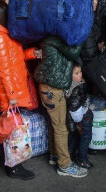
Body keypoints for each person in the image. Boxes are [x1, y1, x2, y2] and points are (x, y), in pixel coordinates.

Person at [0, 1, 40, 180]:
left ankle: (14, 164)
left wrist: (31, 53)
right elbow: (5, 70)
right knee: (13, 132)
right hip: (11, 91)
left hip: (14, 88)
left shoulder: (3, 34)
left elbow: (15, 57)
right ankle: (14, 168)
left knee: (14, 130)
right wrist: (12, 96)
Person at [34, 35, 86, 178]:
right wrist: (82, 33)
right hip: (52, 90)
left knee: (54, 124)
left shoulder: (49, 37)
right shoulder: (56, 38)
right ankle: (65, 165)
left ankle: (55, 155)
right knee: (61, 128)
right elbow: (74, 52)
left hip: (48, 87)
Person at [66, 63, 93, 169]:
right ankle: (82, 159)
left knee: (74, 137)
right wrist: (82, 116)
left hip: (78, 116)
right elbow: (74, 108)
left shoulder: (76, 84)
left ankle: (71, 155)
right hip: (82, 117)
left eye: (80, 72)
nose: (80, 75)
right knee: (86, 137)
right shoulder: (76, 89)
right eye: (76, 73)